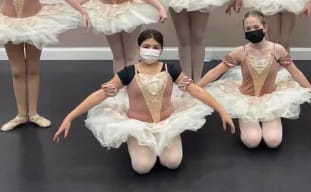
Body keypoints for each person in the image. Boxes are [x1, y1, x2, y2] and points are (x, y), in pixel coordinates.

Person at [54, 29, 235, 174]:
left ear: (161, 49)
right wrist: (70, 116)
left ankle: (164, 144)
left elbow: (195, 90)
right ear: (139, 48)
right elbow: (99, 95)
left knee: (172, 163)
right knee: (142, 167)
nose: (151, 50)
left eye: (155, 47)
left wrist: (222, 110)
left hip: (167, 123)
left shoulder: (170, 70)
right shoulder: (128, 73)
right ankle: (139, 145)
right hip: (138, 125)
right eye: (146, 46)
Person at [0, 0, 88, 132]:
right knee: (17, 70)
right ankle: (21, 114)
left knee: (32, 67)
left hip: (35, 23)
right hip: (9, 24)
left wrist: (81, 9)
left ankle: (34, 113)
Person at [197, 11, 311, 149]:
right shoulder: (239, 52)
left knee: (273, 141)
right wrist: (195, 88)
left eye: (256, 27)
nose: (252, 31)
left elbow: (296, 73)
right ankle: (246, 120)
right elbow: (215, 71)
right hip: (245, 100)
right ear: (244, 31)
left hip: (270, 99)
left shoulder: (278, 50)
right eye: (248, 29)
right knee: (252, 141)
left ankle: (271, 119)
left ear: (265, 27)